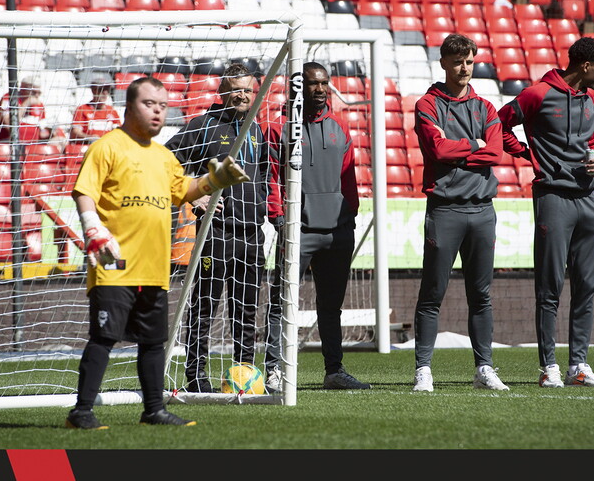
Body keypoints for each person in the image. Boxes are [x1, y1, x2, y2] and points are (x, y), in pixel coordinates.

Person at [65, 76, 249, 429]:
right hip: (114, 263)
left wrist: (217, 179)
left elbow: (187, 190)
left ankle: (154, 410)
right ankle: (82, 411)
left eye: (163, 106)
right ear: (129, 106)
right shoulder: (107, 147)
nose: (157, 112)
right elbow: (83, 191)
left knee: (153, 342)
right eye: (149, 104)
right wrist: (92, 227)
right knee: (104, 338)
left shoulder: (165, 157)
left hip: (153, 266)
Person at [497, 36, 594, 388]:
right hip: (553, 199)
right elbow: (499, 124)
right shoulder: (537, 94)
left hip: (589, 201)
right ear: (585, 66)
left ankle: (578, 365)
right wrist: (526, 154)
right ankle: (549, 366)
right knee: (550, 288)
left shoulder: (590, 103)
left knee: (587, 286)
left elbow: (593, 143)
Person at [164, 63, 278, 393]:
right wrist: (192, 197)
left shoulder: (255, 128)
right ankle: (196, 377)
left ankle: (245, 377)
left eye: (247, 89)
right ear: (222, 92)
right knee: (204, 308)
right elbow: (168, 158)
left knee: (245, 313)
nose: (242, 95)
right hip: (215, 234)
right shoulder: (204, 125)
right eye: (235, 89)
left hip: (252, 235)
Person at [411, 33, 509, 392]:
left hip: (483, 210)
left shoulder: (485, 107)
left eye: (468, 61)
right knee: (432, 293)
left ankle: (484, 367)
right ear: (443, 63)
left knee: (481, 295)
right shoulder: (428, 104)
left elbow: (495, 153)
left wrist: (464, 149)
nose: (463, 68)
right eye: (457, 61)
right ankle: (423, 369)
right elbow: (437, 150)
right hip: (445, 210)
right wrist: (475, 144)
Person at [264, 61, 370, 392]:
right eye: (313, 84)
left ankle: (334, 371)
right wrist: (279, 218)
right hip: (298, 230)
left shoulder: (339, 128)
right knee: (282, 302)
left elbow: (348, 177)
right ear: (299, 88)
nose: (321, 89)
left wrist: (350, 214)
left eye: (325, 83)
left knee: (331, 306)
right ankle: (273, 370)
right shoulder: (278, 128)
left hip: (337, 231)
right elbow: (271, 177)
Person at [70, 72, 122, 143]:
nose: (105, 93)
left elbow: (119, 131)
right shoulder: (82, 109)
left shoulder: (112, 111)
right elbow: (75, 132)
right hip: (88, 145)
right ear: (93, 90)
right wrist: (89, 138)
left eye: (107, 90)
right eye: (101, 89)